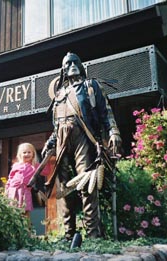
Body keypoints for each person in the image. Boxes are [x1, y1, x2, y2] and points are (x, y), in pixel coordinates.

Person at [42, 52, 122, 240]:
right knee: (64, 188)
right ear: (63, 69)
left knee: (87, 184)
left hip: (83, 138)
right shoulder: (59, 95)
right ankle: (68, 234)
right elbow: (56, 126)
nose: (71, 65)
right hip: (62, 142)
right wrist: (50, 142)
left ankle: (93, 234)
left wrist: (113, 131)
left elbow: (106, 112)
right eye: (67, 63)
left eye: (75, 62)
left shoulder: (91, 87)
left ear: (81, 65)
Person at [5, 143, 50, 219]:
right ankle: (16, 229)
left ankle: (27, 229)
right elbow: (10, 178)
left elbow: (46, 171)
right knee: (13, 211)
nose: (27, 154)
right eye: (24, 152)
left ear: (33, 154)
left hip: (25, 191)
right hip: (13, 190)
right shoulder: (16, 165)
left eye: (29, 152)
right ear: (20, 154)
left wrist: (47, 158)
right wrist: (6, 190)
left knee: (25, 212)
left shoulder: (35, 166)